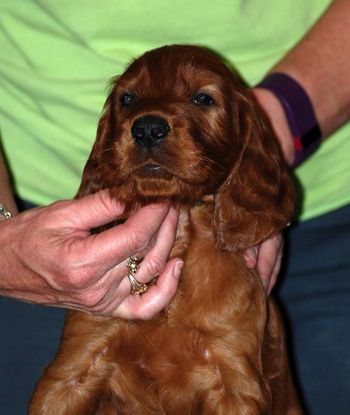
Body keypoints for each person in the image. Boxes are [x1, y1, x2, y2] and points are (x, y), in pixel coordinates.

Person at [0, 1, 349, 413]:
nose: (148, 123)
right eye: (129, 101)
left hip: (328, 217)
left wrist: (283, 117)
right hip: (47, 226)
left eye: (203, 100)